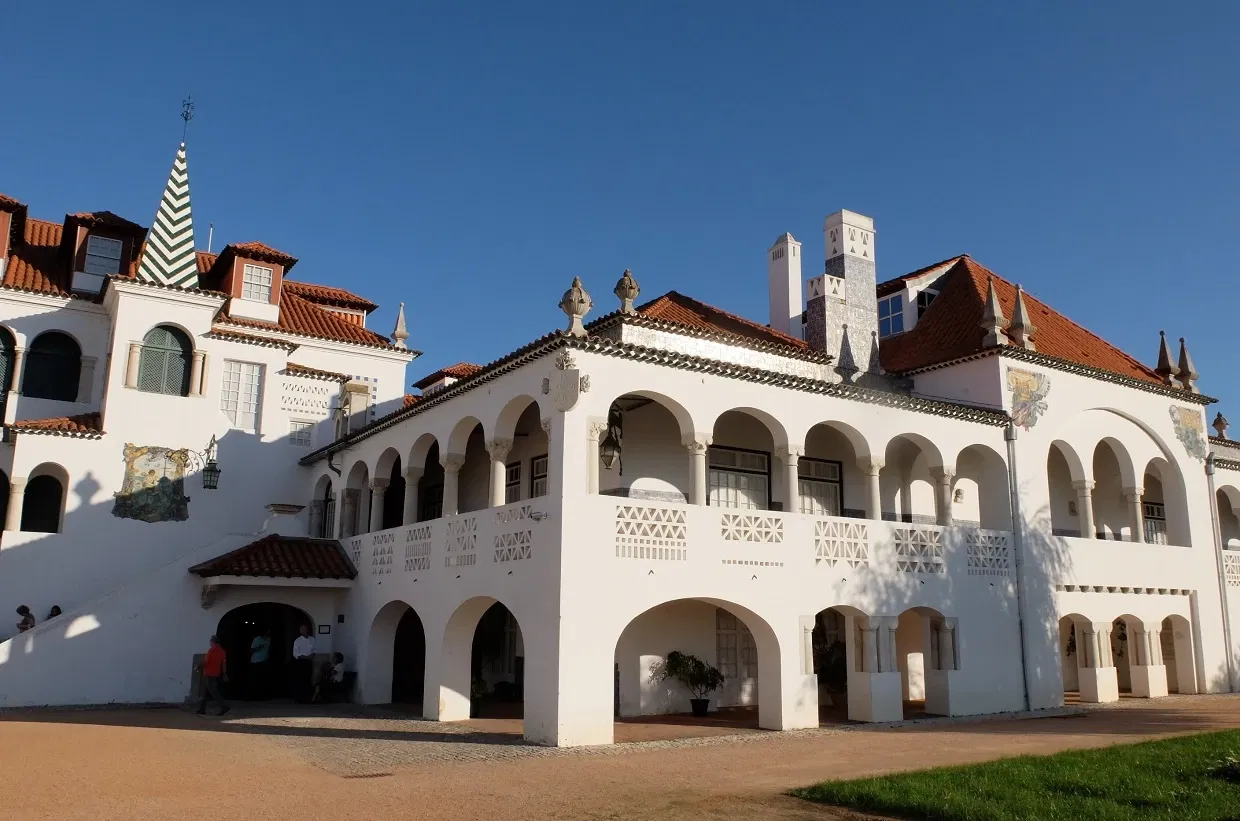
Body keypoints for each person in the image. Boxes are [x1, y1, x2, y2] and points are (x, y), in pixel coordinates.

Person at [196, 635, 230, 717]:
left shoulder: (211, 651)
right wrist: (225, 674)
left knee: (213, 692)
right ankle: (202, 709)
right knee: (205, 691)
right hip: (216, 674)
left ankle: (224, 707)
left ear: (213, 642)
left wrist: (198, 666)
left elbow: (206, 662)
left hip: (208, 674)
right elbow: (223, 664)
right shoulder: (222, 651)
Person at [292, 624, 315, 703]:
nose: (302, 630)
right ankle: (299, 699)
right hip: (300, 662)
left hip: (309, 662)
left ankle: (307, 698)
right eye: (301, 629)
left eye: (304, 629)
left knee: (308, 679)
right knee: (300, 680)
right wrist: (306, 657)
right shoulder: (297, 640)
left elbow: (314, 650)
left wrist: (311, 656)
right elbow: (295, 654)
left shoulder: (312, 639)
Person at [249, 629, 271, 700]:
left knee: (262, 680)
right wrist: (258, 648)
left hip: (264, 661)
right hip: (255, 662)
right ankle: (253, 696)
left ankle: (261, 696)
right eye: (267, 631)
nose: (268, 633)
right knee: (255, 680)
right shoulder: (257, 639)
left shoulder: (269, 639)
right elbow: (251, 650)